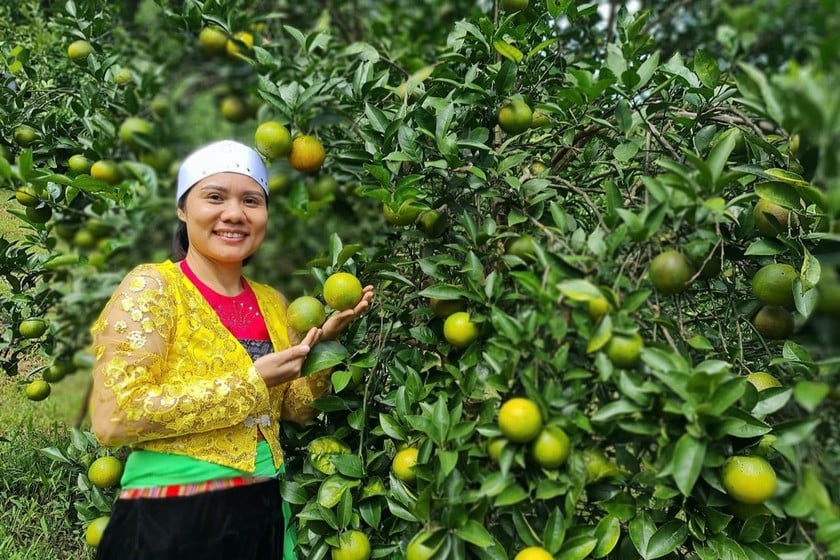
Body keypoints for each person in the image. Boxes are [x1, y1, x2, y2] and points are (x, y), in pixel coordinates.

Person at [89, 139, 374, 560]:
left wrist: (323, 350)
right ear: (183, 210)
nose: (235, 214)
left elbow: (294, 409)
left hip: (260, 510)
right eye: (215, 197)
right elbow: (116, 416)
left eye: (251, 201)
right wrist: (251, 382)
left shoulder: (274, 303)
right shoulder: (154, 288)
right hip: (172, 510)